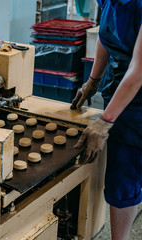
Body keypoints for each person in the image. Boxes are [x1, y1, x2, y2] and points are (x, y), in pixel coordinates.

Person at [71, 0, 142, 239]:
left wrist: (105, 121)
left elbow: (139, 71)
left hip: (137, 89)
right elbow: (106, 33)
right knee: (122, 176)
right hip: (122, 91)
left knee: (129, 172)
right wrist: (93, 80)